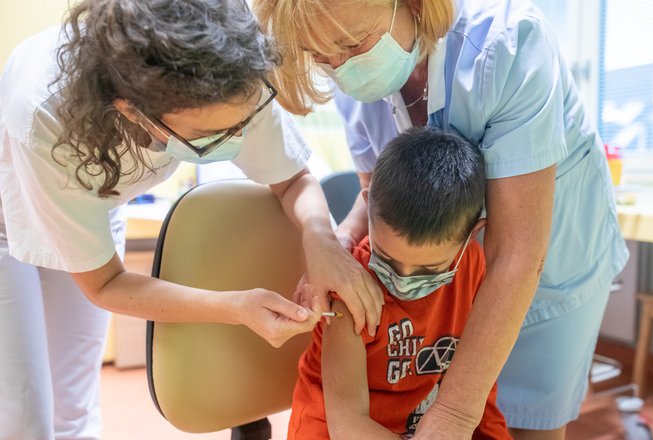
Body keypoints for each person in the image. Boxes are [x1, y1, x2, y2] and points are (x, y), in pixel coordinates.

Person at [0, 0, 383, 438]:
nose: (236, 139)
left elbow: (293, 178)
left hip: (97, 203)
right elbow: (105, 283)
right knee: (23, 416)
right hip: (6, 227)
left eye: (241, 123)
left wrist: (322, 243)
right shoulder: (43, 116)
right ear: (131, 112)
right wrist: (235, 307)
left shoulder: (226, 71)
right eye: (209, 137)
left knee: (75, 408)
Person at [255, 0, 630, 438]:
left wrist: (454, 413)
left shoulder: (507, 46)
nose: (342, 66)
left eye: (353, 43)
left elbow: (517, 253)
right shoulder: (356, 92)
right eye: (321, 57)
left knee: (527, 421)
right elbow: (378, 197)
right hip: (449, 283)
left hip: (546, 260)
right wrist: (336, 245)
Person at [289, 127, 510, 440]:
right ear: (368, 209)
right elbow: (346, 424)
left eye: (429, 268)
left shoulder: (475, 267)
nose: (403, 279)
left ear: (472, 235)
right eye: (388, 260)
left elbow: (479, 394)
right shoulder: (349, 283)